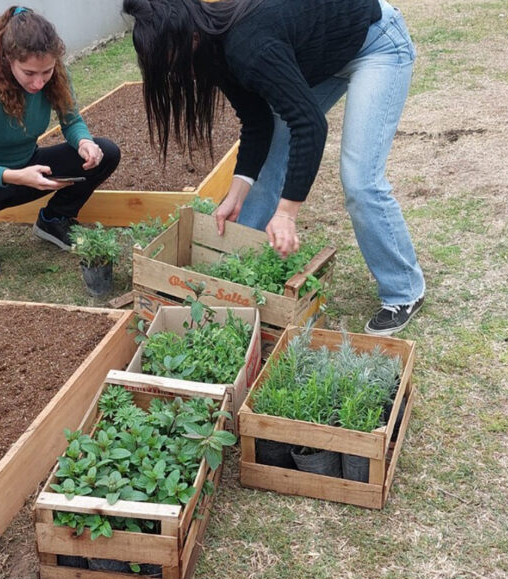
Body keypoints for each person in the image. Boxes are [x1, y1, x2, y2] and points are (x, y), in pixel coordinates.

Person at [122, 0, 425, 335]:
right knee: (267, 162)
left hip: (375, 41)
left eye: (174, 63)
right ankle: (234, 273)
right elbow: (257, 122)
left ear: (190, 39)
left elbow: (309, 124)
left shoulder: (248, 46)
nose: (180, 74)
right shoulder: (213, 49)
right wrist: (237, 192)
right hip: (323, 54)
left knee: (359, 180)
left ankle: (404, 290)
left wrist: (287, 213)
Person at [0, 6, 121, 279]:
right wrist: (16, 176)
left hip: (29, 168)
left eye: (46, 71)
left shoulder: (56, 76)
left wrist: (84, 142)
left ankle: (54, 219)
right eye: (29, 73)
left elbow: (71, 122)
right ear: (8, 59)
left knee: (106, 152)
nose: (39, 82)